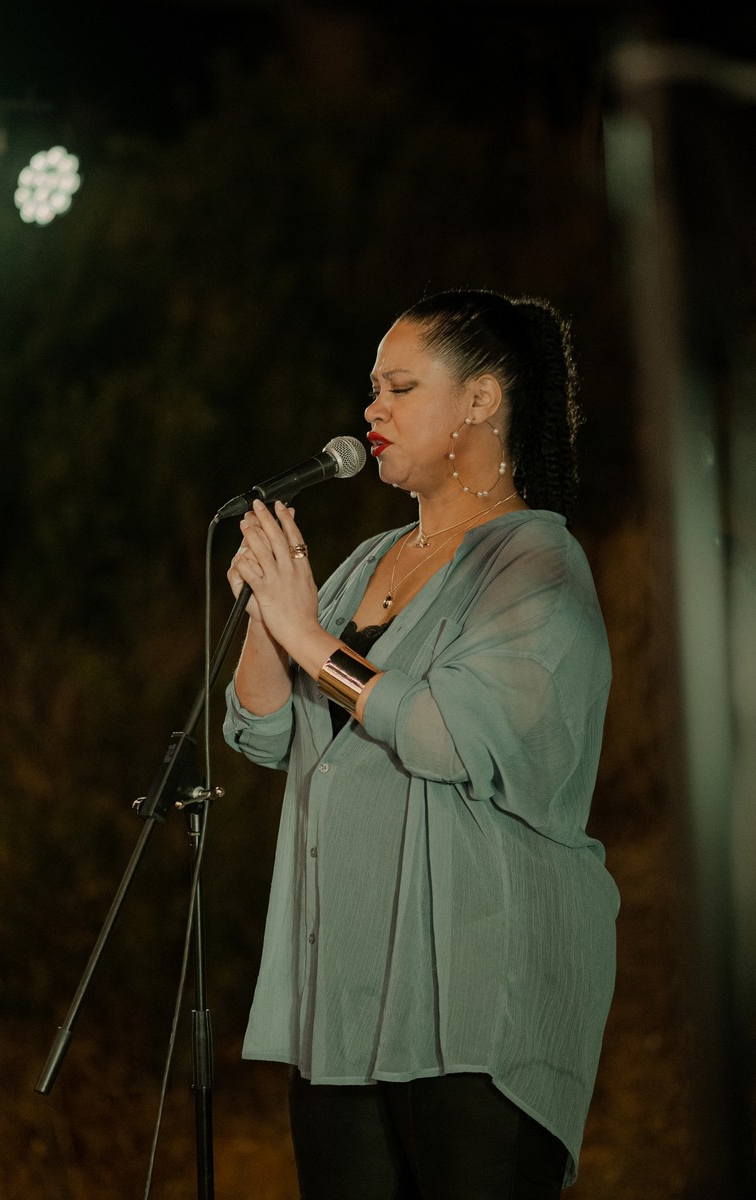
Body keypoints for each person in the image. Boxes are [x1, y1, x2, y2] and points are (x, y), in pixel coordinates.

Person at [223, 289, 618, 1199]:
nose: (372, 411)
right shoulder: (369, 560)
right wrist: (267, 612)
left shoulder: (534, 563)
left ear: (480, 399)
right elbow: (264, 730)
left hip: (476, 1005)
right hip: (344, 1007)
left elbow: (444, 731)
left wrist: (308, 637)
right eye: (373, 389)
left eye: (400, 387)